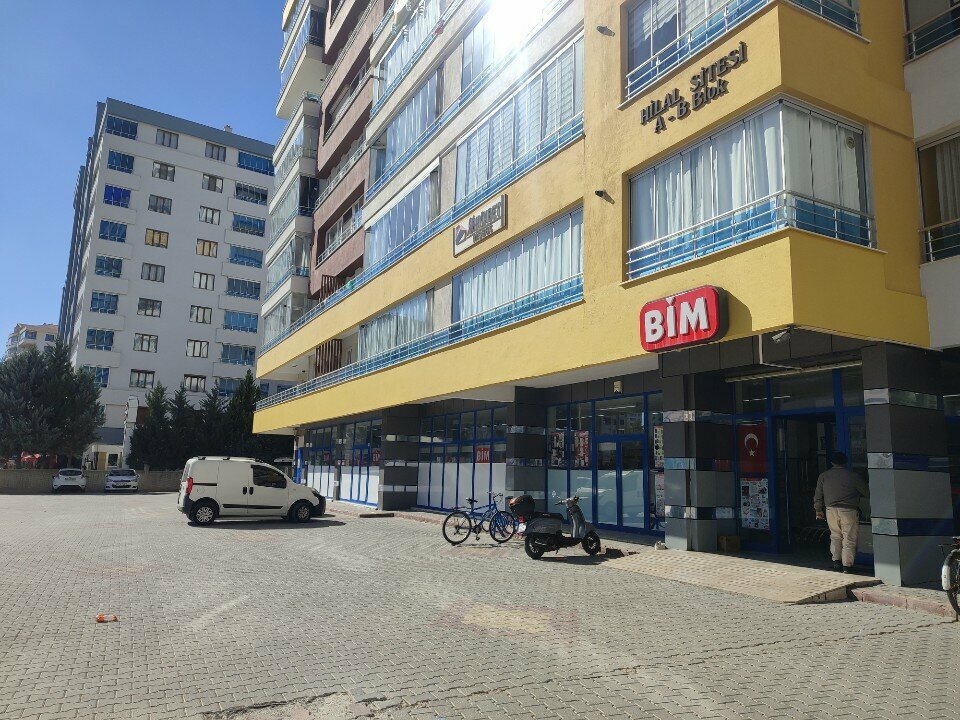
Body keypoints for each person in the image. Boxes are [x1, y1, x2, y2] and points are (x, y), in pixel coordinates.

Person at [814, 452, 869, 573]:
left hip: (830, 510)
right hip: (849, 510)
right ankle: (847, 566)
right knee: (849, 538)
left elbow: (818, 494)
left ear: (832, 462)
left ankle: (836, 562)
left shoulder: (824, 476)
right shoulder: (853, 476)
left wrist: (818, 510)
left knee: (835, 536)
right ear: (845, 462)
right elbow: (866, 492)